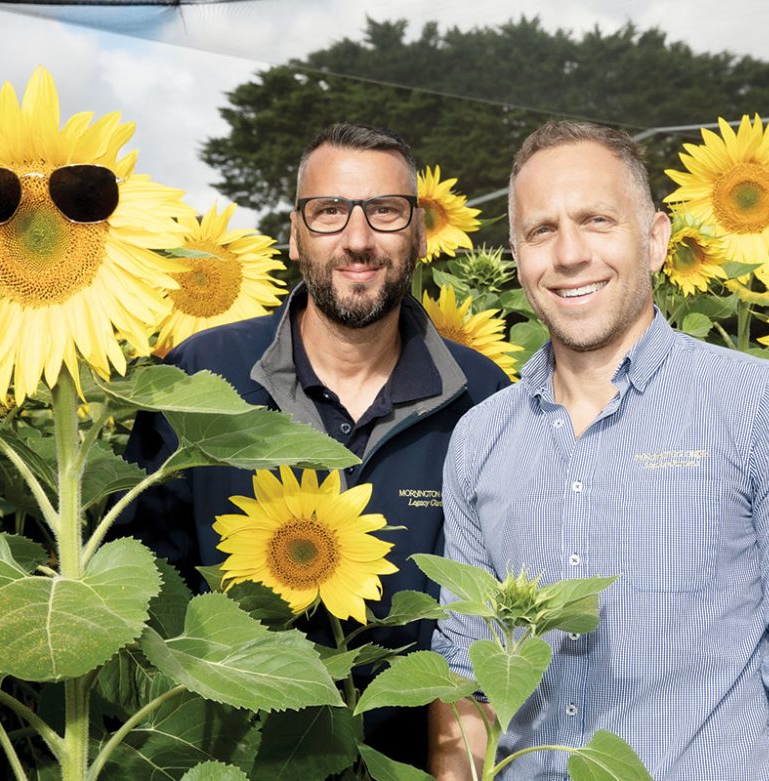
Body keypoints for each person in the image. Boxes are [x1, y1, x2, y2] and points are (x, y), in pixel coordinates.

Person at [429, 120, 769, 780]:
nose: (570, 253)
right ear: (519, 257)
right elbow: (464, 670)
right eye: (541, 230)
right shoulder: (480, 437)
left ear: (657, 238)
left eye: (597, 219)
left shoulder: (766, 407)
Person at [121, 122, 511, 768]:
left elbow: (481, 643)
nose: (357, 240)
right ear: (296, 237)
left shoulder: (483, 397)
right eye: (329, 211)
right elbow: (143, 603)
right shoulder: (201, 378)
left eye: (385, 212)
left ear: (419, 233)